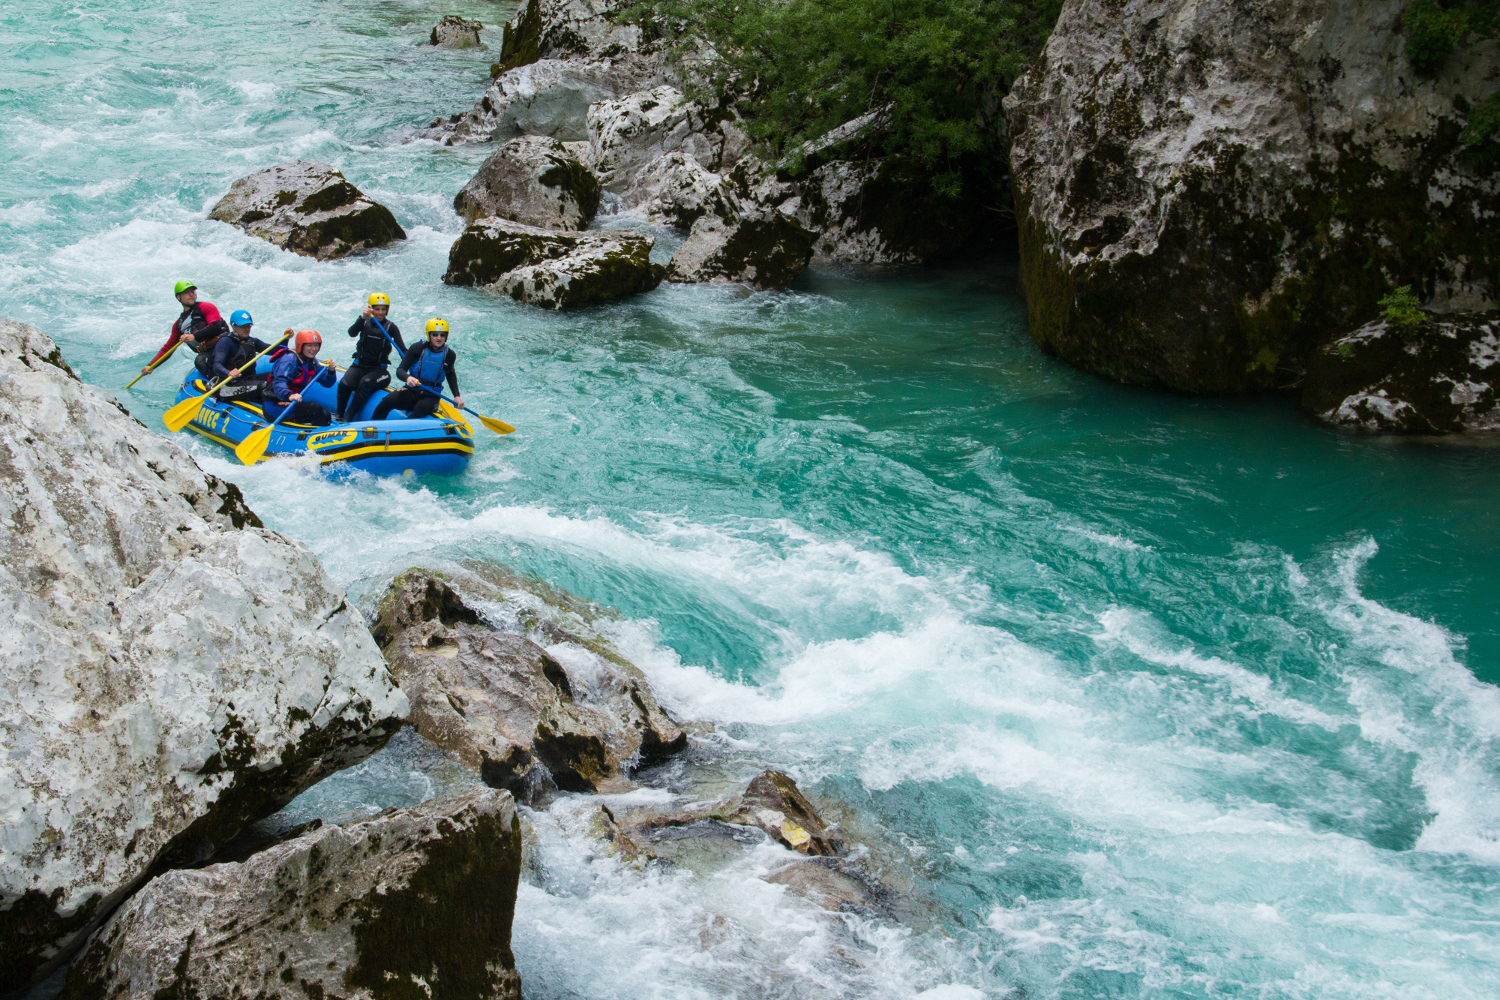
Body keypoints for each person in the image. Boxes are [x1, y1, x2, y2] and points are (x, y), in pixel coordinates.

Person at [335, 293, 408, 422]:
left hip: (379, 371)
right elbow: (351, 333)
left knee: (366, 383)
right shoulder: (364, 322)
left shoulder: (391, 328)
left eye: (383, 309)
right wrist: (362, 317)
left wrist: (412, 367)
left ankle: (347, 418)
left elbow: (402, 349)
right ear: (371, 309)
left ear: (387, 310)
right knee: (344, 384)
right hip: (359, 365)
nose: (380, 312)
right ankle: (339, 414)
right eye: (377, 309)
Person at [373, 319, 464, 421]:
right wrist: (408, 378)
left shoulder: (450, 355)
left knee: (420, 409)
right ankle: (371, 430)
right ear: (429, 335)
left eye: (442, 335)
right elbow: (400, 370)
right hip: (412, 390)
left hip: (431, 396)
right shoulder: (417, 348)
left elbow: (450, 375)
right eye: (435, 334)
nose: (439, 338)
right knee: (387, 402)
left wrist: (457, 396)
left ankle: (404, 434)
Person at [141, 281, 229, 375]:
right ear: (178, 297)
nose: (191, 295)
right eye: (187, 292)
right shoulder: (179, 325)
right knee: (200, 361)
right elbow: (168, 349)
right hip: (209, 352)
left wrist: (194, 336)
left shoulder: (206, 307)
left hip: (224, 345)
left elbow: (215, 327)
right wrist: (151, 365)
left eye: (192, 292)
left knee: (201, 360)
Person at [264, 329, 337, 427]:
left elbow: (327, 383)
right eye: (309, 345)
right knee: (314, 409)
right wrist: (289, 395)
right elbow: (279, 381)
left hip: (289, 403)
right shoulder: (289, 359)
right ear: (300, 346)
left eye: (316, 345)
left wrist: (331, 371)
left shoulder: (312, 362)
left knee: (325, 414)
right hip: (274, 405)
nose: (314, 349)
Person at [209, 310, 269, 380]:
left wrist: (285, 337)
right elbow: (217, 365)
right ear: (233, 326)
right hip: (232, 384)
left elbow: (275, 349)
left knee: (275, 377)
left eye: (248, 325)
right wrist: (228, 372)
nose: (247, 329)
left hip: (250, 379)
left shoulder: (252, 341)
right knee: (264, 385)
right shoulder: (225, 341)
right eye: (243, 326)